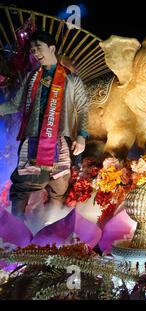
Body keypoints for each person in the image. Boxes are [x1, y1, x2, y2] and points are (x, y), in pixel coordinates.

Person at [0, 30, 89, 220]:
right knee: (22, 187)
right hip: (33, 139)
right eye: (32, 50)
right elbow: (15, 105)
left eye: (38, 48)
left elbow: (82, 108)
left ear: (52, 48)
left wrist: (82, 136)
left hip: (60, 140)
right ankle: (16, 236)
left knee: (59, 188)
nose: (35, 53)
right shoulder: (31, 78)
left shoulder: (72, 80)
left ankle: (50, 235)